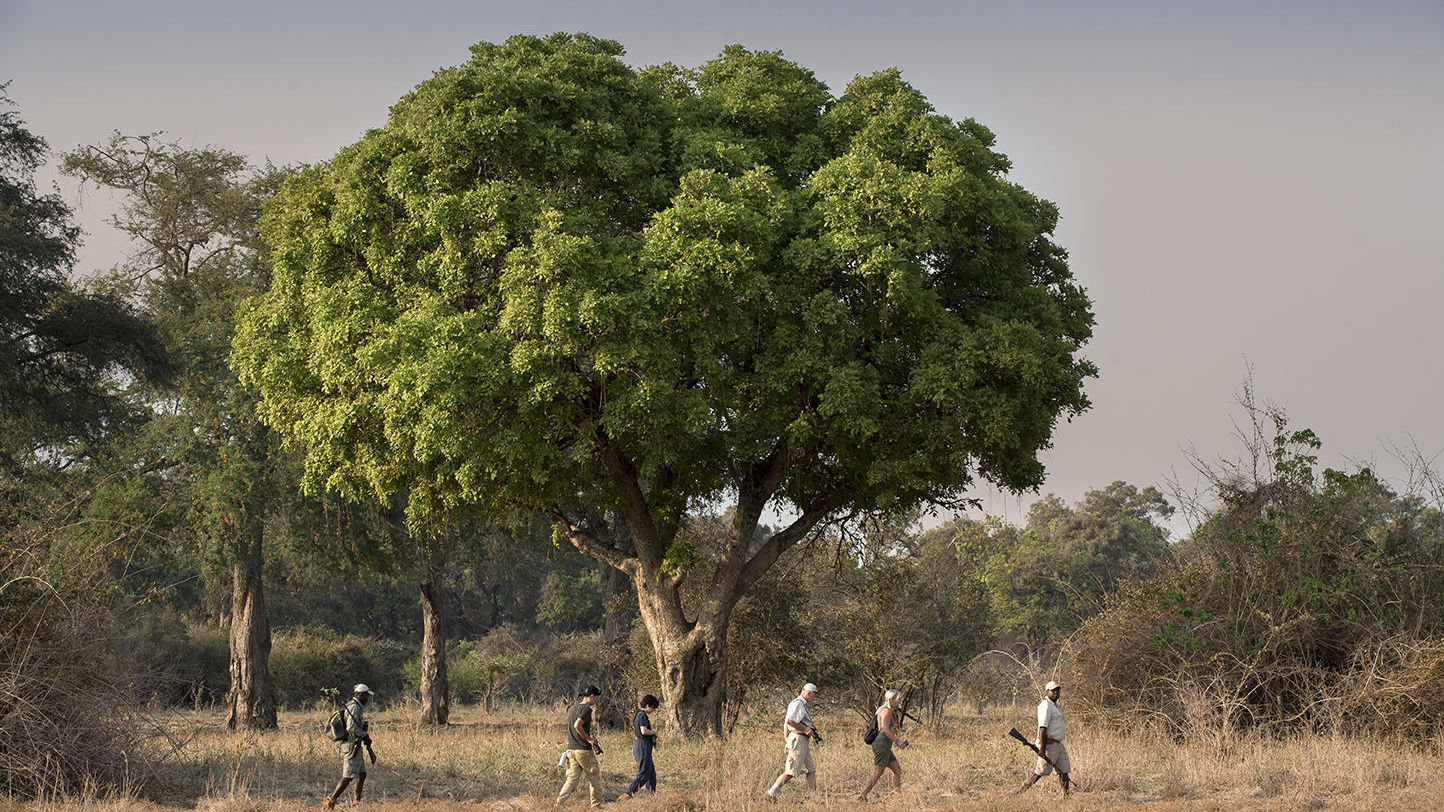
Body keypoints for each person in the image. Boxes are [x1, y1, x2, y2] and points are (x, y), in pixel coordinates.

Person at [323, 684, 376, 809]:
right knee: (347, 776)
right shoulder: (354, 707)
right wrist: (365, 735)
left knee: (362, 774)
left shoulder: (355, 706)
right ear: (361, 695)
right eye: (366, 696)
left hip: (356, 746)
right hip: (351, 746)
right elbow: (351, 727)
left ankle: (356, 803)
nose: (367, 700)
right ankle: (331, 801)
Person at [765, 682, 821, 801]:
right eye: (814, 694)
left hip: (801, 740)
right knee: (791, 772)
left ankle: (814, 797)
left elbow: (786, 724)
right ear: (808, 693)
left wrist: (787, 741)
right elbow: (789, 721)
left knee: (810, 769)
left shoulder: (803, 704)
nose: (814, 697)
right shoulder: (798, 704)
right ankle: (771, 794)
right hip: (798, 739)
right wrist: (805, 729)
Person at [1018, 680, 1070, 796]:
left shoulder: (1054, 706)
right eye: (1053, 690)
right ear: (1047, 692)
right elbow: (1042, 728)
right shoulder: (1045, 705)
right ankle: (1019, 793)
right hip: (1049, 745)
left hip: (1058, 744)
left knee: (1064, 771)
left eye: (1058, 690)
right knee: (1039, 772)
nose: (1056, 692)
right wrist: (1042, 749)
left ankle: (1067, 797)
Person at [557, 685, 604, 808]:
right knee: (594, 777)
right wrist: (589, 739)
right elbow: (577, 725)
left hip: (571, 749)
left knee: (572, 779)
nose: (596, 701)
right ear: (592, 697)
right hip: (583, 750)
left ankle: (559, 803)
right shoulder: (587, 709)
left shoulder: (573, 708)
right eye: (596, 698)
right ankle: (597, 805)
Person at [857, 689, 907, 801]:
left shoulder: (881, 708)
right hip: (882, 745)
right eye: (897, 700)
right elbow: (885, 729)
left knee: (896, 769)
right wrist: (897, 741)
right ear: (891, 699)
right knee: (878, 772)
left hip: (884, 745)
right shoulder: (887, 711)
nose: (898, 702)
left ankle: (898, 796)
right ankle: (862, 795)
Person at [617, 694, 660, 800]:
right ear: (648, 705)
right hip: (642, 745)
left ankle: (651, 795)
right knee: (644, 773)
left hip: (643, 745)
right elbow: (643, 731)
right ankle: (628, 793)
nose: (653, 710)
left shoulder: (639, 714)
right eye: (653, 707)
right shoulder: (642, 715)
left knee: (651, 773)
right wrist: (654, 732)